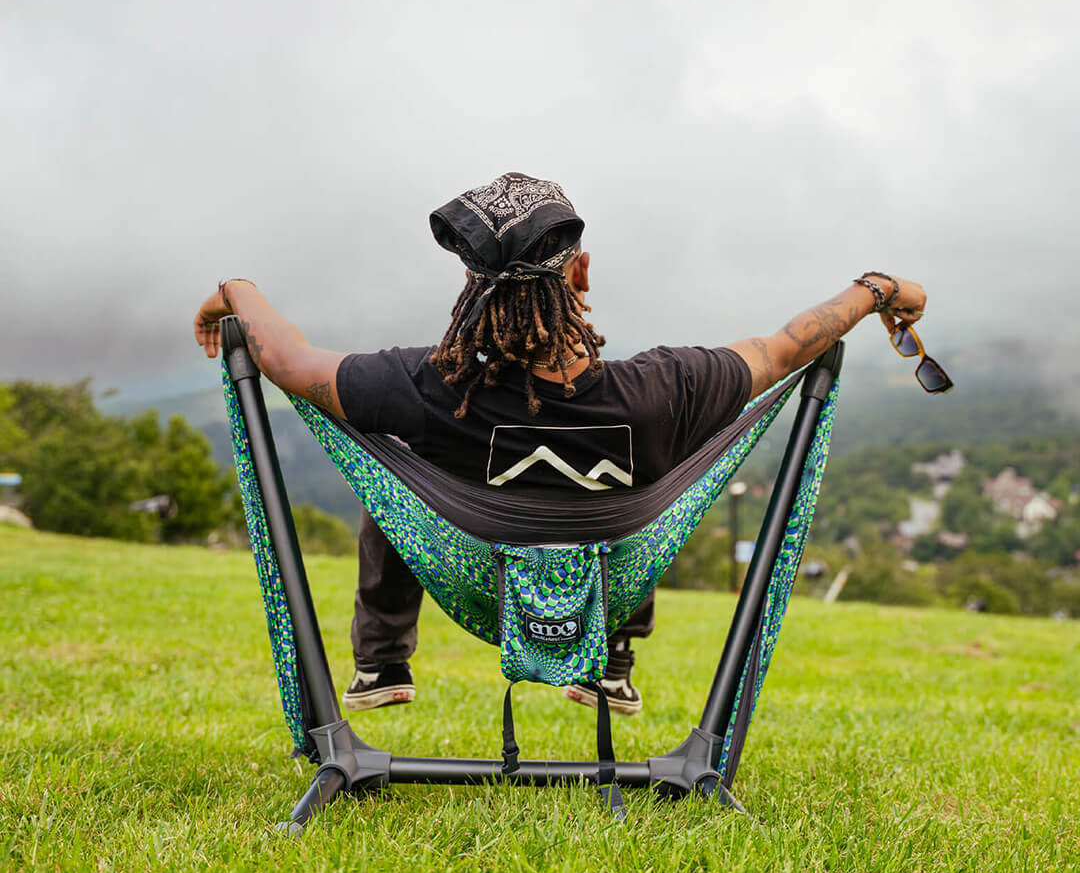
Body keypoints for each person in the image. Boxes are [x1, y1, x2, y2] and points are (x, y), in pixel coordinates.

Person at [194, 172, 926, 716]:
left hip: (470, 575)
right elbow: (781, 348)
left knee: (395, 474)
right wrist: (874, 290)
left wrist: (235, 287)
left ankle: (382, 663)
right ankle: (607, 661)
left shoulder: (429, 386)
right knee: (660, 474)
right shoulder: (667, 386)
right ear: (578, 272)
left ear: (473, 289)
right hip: (613, 581)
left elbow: (287, 362)